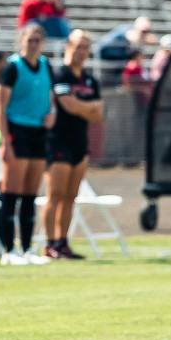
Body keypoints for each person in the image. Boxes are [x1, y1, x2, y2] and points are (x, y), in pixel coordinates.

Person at [0, 21, 54, 261]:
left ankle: (28, 248)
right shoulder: (12, 68)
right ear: (21, 42)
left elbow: (50, 97)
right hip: (17, 131)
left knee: (31, 193)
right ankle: (9, 250)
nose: (33, 44)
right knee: (12, 192)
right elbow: (0, 106)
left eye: (38, 40)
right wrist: (5, 141)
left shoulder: (46, 66)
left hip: (38, 132)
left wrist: (52, 115)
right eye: (29, 40)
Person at [42, 29, 103, 259]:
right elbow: (68, 105)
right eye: (78, 46)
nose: (81, 51)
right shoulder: (59, 74)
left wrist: (82, 107)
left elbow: (99, 115)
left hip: (80, 142)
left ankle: (62, 242)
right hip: (58, 141)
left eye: (85, 47)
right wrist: (87, 107)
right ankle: (49, 244)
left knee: (70, 196)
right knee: (55, 194)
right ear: (69, 47)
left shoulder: (90, 80)